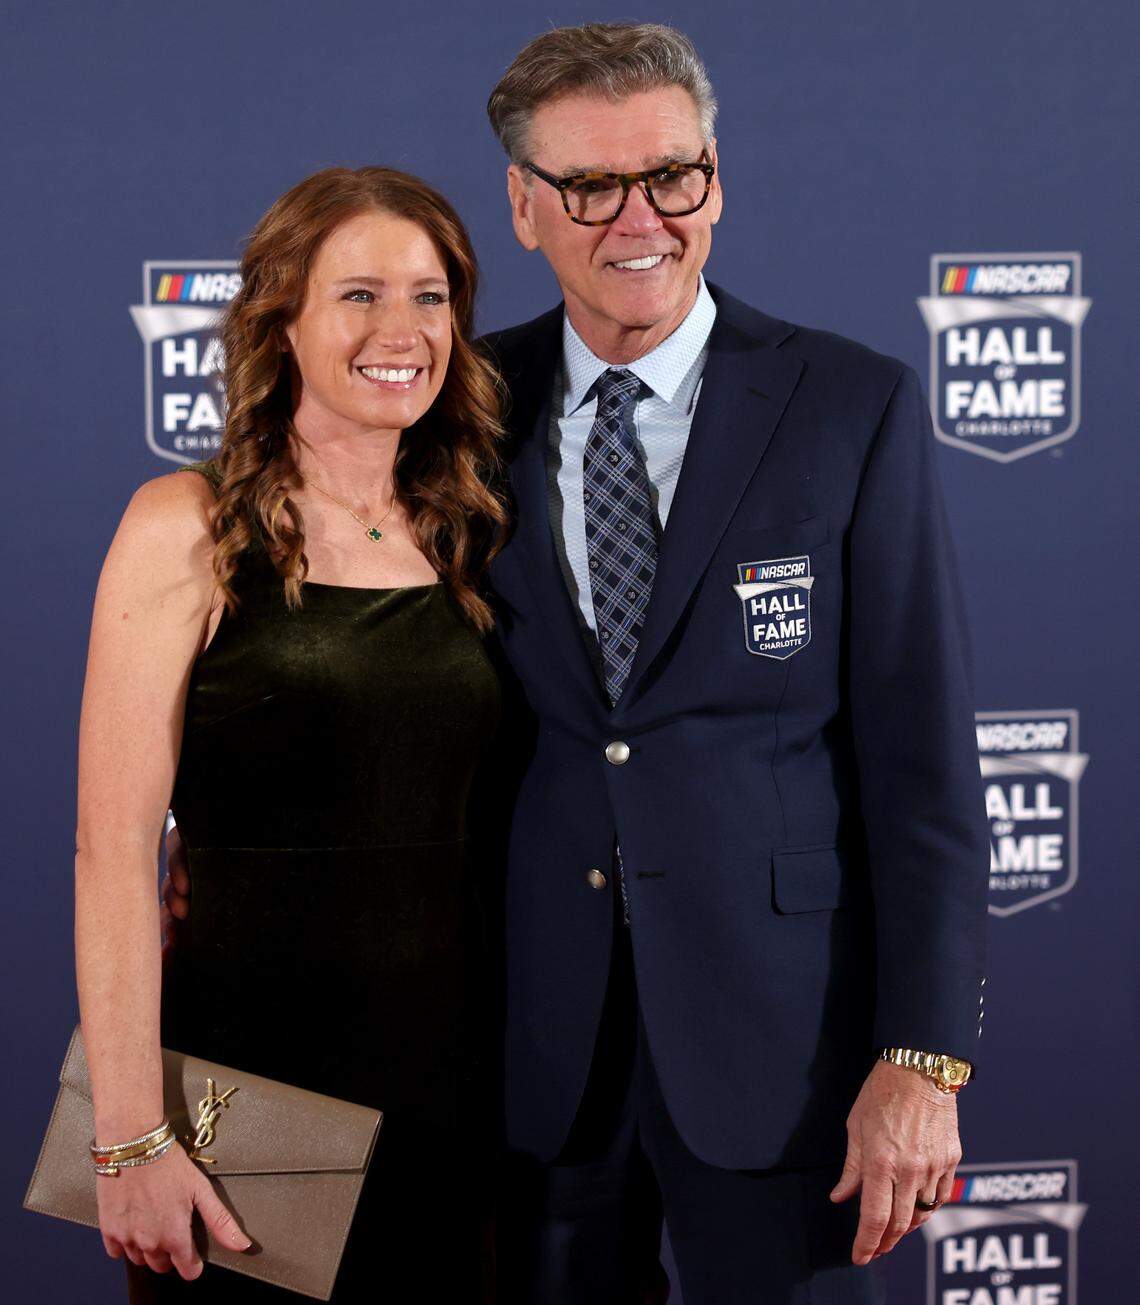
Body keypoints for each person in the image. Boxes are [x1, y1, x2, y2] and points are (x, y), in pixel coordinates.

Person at [164, 22, 989, 1305]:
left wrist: (924, 1058)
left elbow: (926, 772)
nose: (639, 218)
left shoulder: (849, 404)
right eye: (592, 187)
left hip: (787, 1057)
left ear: (717, 174)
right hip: (520, 1053)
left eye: (673, 175)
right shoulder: (454, 409)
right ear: (524, 204)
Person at [75, 166, 506, 1301]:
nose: (400, 330)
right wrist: (128, 1140)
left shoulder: (475, 530)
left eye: (430, 297)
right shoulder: (186, 525)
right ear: (284, 316)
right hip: (247, 1096)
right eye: (358, 294)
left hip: (462, 1088)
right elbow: (113, 852)